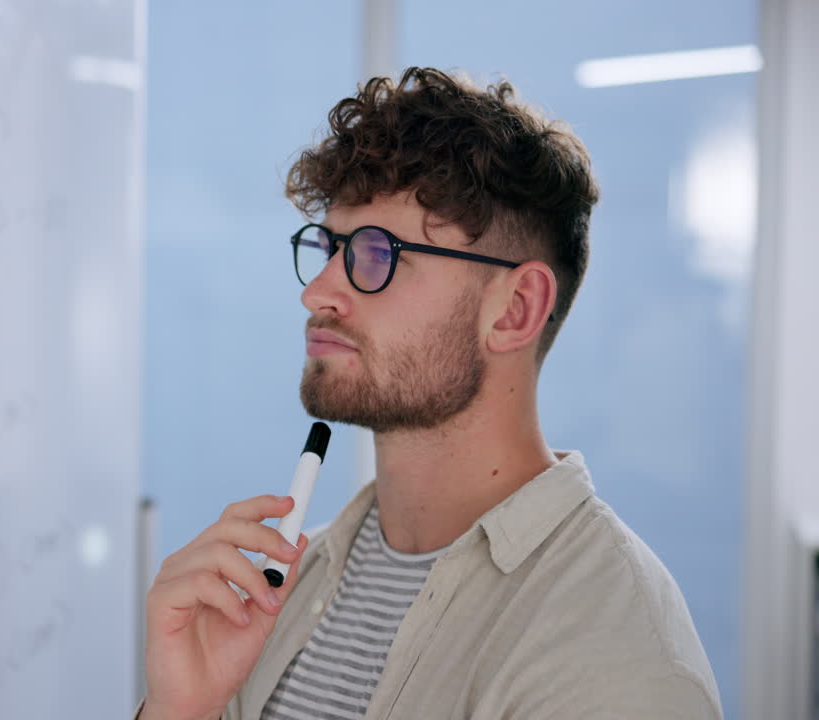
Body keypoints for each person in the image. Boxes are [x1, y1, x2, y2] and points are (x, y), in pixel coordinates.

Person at [137, 67, 721, 719]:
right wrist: (179, 710)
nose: (317, 292)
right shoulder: (285, 586)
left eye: (375, 253)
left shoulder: (614, 655)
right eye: (329, 247)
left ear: (515, 310)